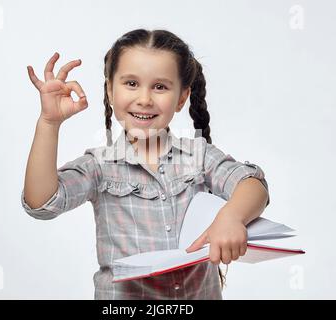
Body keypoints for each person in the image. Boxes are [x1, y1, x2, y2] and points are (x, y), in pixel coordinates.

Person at [21, 29, 270, 300]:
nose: (144, 98)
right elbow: (42, 204)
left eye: (160, 87)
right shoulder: (100, 166)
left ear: (182, 98)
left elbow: (252, 184)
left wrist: (231, 217)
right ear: (110, 90)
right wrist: (49, 123)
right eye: (131, 83)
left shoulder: (198, 156)